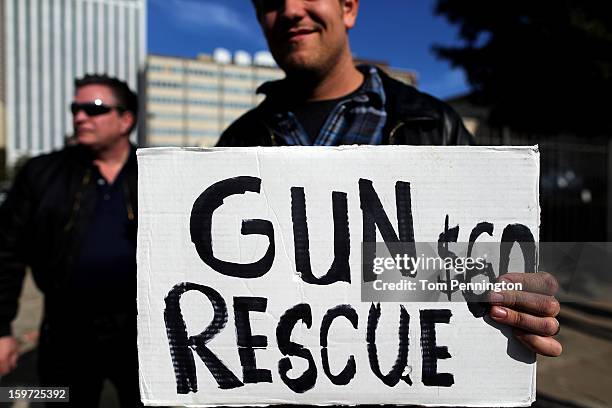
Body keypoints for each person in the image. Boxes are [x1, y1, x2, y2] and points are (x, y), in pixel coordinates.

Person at [217, 0, 562, 357]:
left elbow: (489, 260)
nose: (290, 10)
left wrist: (520, 296)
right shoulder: (233, 143)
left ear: (348, 8)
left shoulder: (434, 125)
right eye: (271, 2)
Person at [0, 75, 143, 406]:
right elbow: (6, 251)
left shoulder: (154, 172)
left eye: (93, 109)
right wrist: (3, 329)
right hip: (67, 329)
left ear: (126, 119)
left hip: (139, 332)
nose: (80, 117)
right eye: (75, 108)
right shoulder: (42, 173)